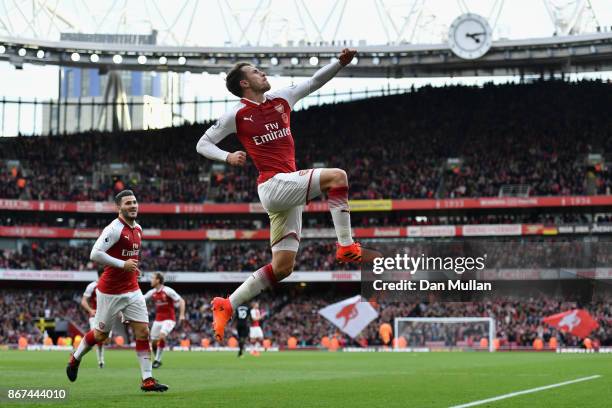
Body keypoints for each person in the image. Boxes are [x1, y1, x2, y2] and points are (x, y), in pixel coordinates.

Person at [196, 48, 380, 342]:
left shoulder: (282, 98)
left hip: (287, 191)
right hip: (273, 185)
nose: (262, 73)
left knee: (283, 268)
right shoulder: (236, 115)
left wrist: (340, 62)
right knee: (338, 177)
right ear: (244, 83)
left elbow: (314, 81)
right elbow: (203, 144)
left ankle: (226, 303)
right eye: (255, 71)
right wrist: (228, 157)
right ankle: (346, 245)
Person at [66, 190, 167, 392]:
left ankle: (147, 379)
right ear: (118, 207)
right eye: (128, 203)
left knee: (143, 331)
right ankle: (75, 358)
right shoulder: (113, 229)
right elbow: (95, 254)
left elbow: (131, 259)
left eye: (135, 202)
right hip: (110, 292)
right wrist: (122, 265)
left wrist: (133, 270)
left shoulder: (138, 229)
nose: (133, 206)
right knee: (101, 336)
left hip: (133, 290)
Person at [144, 272, 185, 368]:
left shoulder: (167, 290)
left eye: (152, 278)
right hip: (158, 320)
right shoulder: (152, 292)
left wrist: (182, 315)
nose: (151, 280)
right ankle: (157, 358)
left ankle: (157, 360)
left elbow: (181, 300)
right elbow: (142, 298)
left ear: (158, 280)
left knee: (162, 335)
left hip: (169, 319)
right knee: (153, 342)